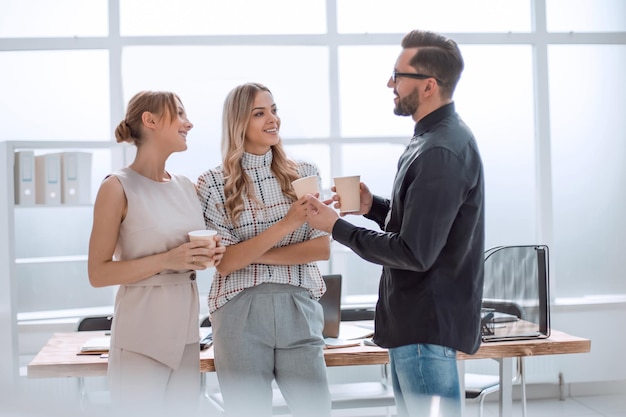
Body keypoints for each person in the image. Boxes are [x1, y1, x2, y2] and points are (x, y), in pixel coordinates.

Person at [305, 29, 485, 417]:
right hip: (417, 324)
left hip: (426, 326)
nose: (390, 82)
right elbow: (423, 228)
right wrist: (373, 208)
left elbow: (415, 252)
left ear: (428, 86)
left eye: (398, 74)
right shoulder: (431, 140)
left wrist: (337, 227)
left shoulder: (440, 150)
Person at [196, 82, 332, 417]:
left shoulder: (305, 174)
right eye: (259, 113)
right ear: (239, 122)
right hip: (238, 312)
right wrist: (287, 224)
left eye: (274, 110)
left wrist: (250, 254)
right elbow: (225, 265)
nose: (272, 119)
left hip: (298, 306)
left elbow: (321, 248)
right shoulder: (212, 183)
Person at [87, 91, 225, 416]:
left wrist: (208, 254)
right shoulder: (116, 187)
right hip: (140, 338)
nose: (188, 123)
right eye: (178, 114)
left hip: (187, 336)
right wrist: (168, 260)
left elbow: (188, 255)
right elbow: (98, 273)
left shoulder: (186, 186)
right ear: (149, 121)